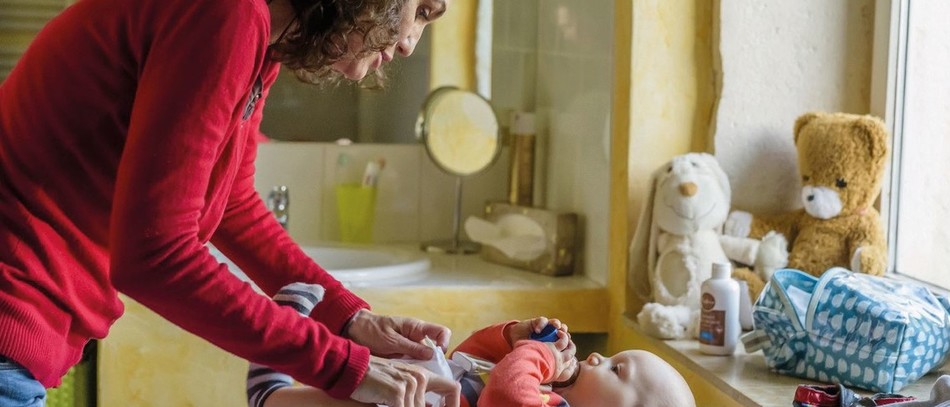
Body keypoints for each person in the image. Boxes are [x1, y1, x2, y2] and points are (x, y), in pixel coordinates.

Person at [0, 0, 456, 405]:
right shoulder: (224, 15)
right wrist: (340, 365)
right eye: (421, 10)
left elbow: (231, 203)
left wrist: (348, 319)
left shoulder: (255, 32)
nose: (409, 44)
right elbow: (156, 256)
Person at [251, 283, 696, 407]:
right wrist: (511, 337)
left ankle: (271, 394)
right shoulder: (546, 393)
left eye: (616, 370)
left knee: (377, 395)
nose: (598, 356)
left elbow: (503, 393)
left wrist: (538, 356)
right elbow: (475, 362)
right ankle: (277, 381)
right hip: (433, 394)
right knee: (393, 369)